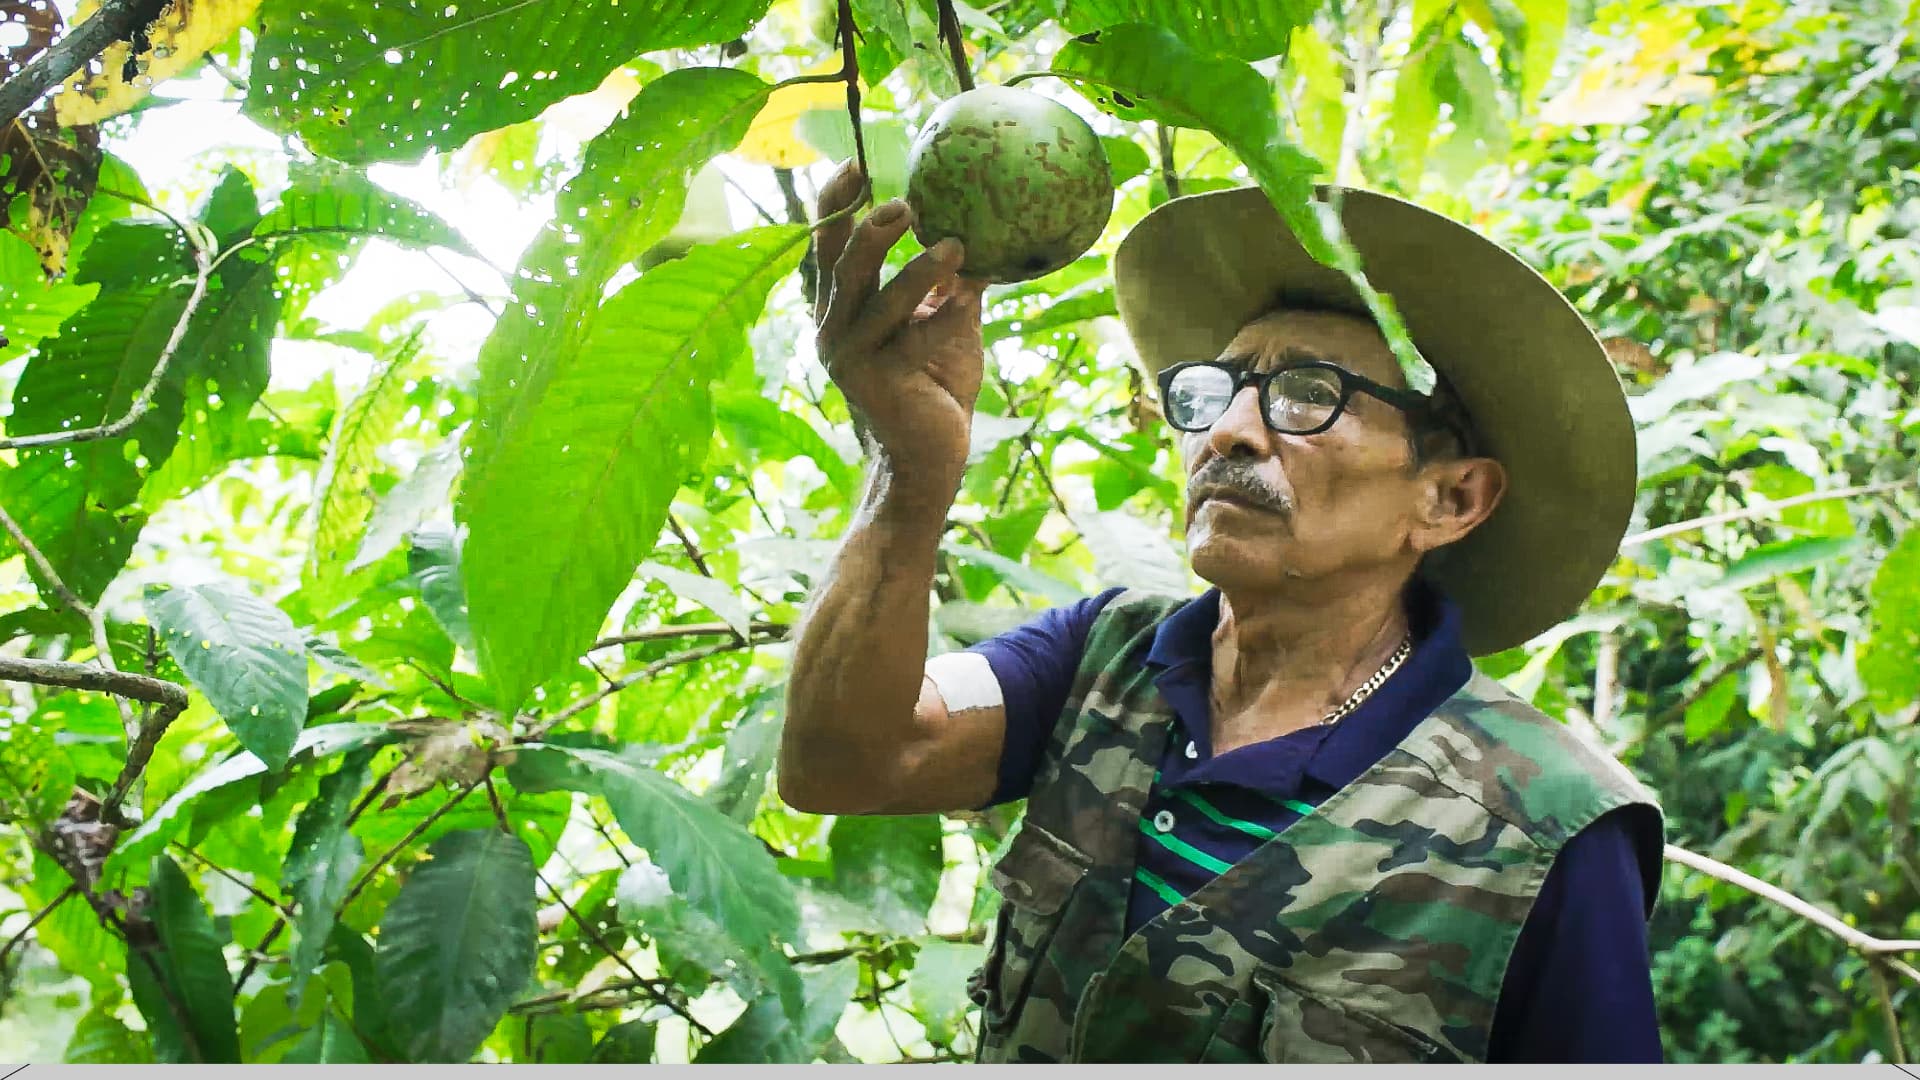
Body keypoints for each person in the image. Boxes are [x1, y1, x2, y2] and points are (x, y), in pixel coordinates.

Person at [779, 160, 1666, 1063]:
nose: (1228, 432)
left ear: (1450, 499)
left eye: (1311, 393)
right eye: (1215, 391)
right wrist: (909, 466)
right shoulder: (1103, 657)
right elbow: (841, 765)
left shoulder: (1544, 831)